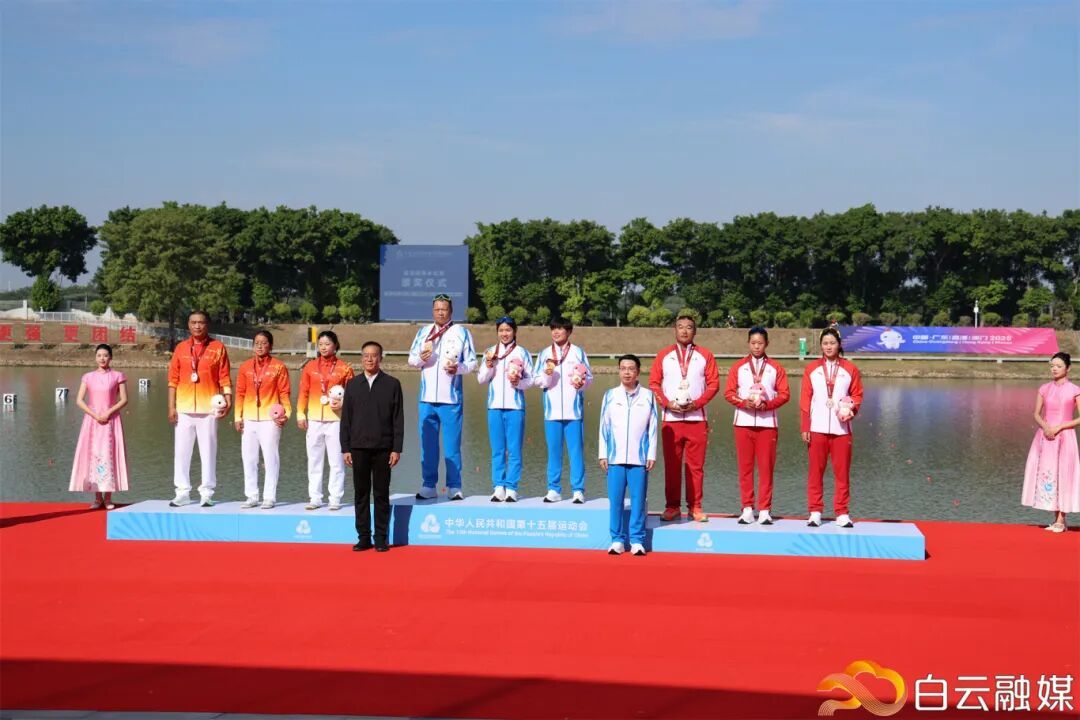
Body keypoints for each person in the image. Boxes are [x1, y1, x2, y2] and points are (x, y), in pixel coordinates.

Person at [648, 315, 720, 522]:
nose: (684, 331)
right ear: (675, 330)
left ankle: (695, 507)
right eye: (680, 327)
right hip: (671, 420)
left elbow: (714, 384)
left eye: (689, 327)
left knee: (696, 467)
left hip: (697, 419)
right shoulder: (664, 355)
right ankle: (672, 507)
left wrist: (697, 403)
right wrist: (666, 403)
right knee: (672, 466)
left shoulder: (705, 355)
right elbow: (654, 383)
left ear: (694, 331)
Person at [407, 294, 477, 500]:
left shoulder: (462, 332)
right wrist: (421, 358)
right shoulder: (423, 332)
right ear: (432, 311)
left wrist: (459, 368)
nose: (440, 313)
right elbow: (411, 360)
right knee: (428, 446)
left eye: (444, 309)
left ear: (451, 311)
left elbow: (472, 362)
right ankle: (429, 485)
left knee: (452, 446)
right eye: (437, 309)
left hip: (451, 399)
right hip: (427, 399)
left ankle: (454, 486)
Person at [723, 327, 790, 525]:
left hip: (767, 424)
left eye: (760, 343)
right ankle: (747, 509)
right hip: (743, 423)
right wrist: (744, 402)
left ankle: (765, 510)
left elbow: (785, 394)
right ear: (748, 343)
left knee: (766, 468)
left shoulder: (775, 368)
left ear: (767, 344)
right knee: (745, 468)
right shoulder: (738, 367)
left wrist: (767, 404)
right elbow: (728, 393)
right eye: (753, 343)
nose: (756, 346)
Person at [341, 341, 404, 552]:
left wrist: (396, 448)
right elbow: (346, 419)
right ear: (361, 358)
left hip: (383, 448)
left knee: (381, 494)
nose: (370, 359)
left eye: (374, 355)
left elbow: (398, 419)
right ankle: (363, 537)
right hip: (358, 448)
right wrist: (345, 448)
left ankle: (381, 538)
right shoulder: (352, 384)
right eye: (366, 355)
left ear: (380, 358)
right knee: (361, 493)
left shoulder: (392, 384)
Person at [800, 328, 863, 528]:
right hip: (817, 427)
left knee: (842, 473)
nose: (829, 347)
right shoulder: (811, 369)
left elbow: (857, 395)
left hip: (841, 429)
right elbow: (805, 399)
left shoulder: (850, 369)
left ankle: (842, 513)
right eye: (825, 343)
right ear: (821, 345)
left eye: (832, 343)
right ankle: (815, 512)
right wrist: (805, 426)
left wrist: (852, 410)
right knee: (815, 472)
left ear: (839, 344)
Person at [168, 311, 231, 507]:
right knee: (181, 452)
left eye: (201, 323)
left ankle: (207, 493)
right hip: (184, 409)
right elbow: (173, 380)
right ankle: (182, 492)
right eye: (193, 322)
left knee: (208, 452)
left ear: (207, 324)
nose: (197, 326)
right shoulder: (180, 348)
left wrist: (228, 400)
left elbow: (224, 377)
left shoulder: (218, 348)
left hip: (209, 409)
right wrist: (171, 406)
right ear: (188, 325)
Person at [599, 354, 657, 556]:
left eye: (631, 369)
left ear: (638, 372)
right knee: (615, 501)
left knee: (638, 501)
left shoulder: (648, 396)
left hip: (638, 458)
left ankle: (637, 540)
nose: (627, 372)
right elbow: (604, 426)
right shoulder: (610, 395)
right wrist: (603, 454)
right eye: (623, 368)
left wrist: (651, 454)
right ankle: (617, 540)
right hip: (615, 458)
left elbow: (653, 427)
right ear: (619, 371)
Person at [533, 316, 593, 503]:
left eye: (560, 329)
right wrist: (546, 375)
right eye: (553, 329)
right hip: (552, 413)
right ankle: (554, 489)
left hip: (574, 412)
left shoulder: (578, 352)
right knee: (554, 453)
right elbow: (536, 380)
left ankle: (578, 490)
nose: (556, 332)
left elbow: (589, 378)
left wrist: (582, 384)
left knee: (576, 453)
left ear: (569, 331)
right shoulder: (544, 354)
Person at [1022, 352, 1080, 532]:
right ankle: (1057, 520)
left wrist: (1060, 426)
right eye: (1052, 366)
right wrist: (1046, 427)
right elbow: (1036, 414)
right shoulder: (1044, 388)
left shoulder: (1075, 390)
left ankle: (1061, 520)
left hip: (1065, 436)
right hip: (1045, 437)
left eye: (1059, 366)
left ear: (1068, 368)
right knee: (1051, 474)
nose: (1054, 369)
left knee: (1064, 474)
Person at [476, 316, 533, 502]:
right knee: (497, 450)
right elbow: (481, 379)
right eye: (501, 330)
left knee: (514, 450)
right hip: (494, 407)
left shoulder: (522, 353)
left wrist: (518, 383)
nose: (504, 333)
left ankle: (512, 487)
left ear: (514, 331)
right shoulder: (490, 352)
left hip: (515, 407)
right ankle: (498, 486)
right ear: (497, 332)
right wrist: (488, 365)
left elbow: (531, 380)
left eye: (508, 330)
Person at [297, 330, 354, 510]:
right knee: (314, 460)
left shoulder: (345, 368)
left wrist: (343, 404)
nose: (323, 347)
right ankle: (315, 497)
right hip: (314, 419)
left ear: (335, 346)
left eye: (327, 344)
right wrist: (300, 414)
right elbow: (303, 392)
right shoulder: (310, 367)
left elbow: (353, 395)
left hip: (336, 420)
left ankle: (335, 498)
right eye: (320, 344)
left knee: (336, 461)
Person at [234, 330, 291, 509]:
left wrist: (286, 414)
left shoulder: (278, 367)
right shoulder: (245, 367)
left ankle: (269, 497)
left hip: (269, 420)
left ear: (270, 346)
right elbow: (240, 393)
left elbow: (284, 393)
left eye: (264, 343)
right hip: (249, 419)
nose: (260, 346)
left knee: (270, 458)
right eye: (257, 343)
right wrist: (238, 416)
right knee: (249, 458)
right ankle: (251, 496)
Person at [69, 344, 129, 509]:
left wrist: (108, 412)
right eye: (99, 355)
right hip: (92, 421)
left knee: (109, 455)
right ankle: (97, 498)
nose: (102, 358)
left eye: (105, 355)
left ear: (111, 357)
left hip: (111, 420)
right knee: (94, 455)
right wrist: (94, 415)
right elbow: (79, 400)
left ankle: (108, 498)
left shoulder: (118, 376)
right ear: (95, 357)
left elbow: (124, 399)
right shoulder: (87, 377)